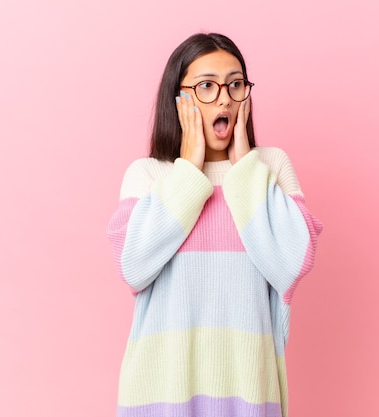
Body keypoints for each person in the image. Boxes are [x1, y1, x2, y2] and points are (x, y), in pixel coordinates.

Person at [107, 32, 322, 417]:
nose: (224, 98)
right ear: (179, 99)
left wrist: (244, 171)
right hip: (161, 396)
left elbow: (290, 264)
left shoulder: (268, 169)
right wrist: (189, 168)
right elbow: (134, 268)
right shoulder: (150, 176)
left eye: (235, 84)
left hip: (249, 395)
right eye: (207, 86)